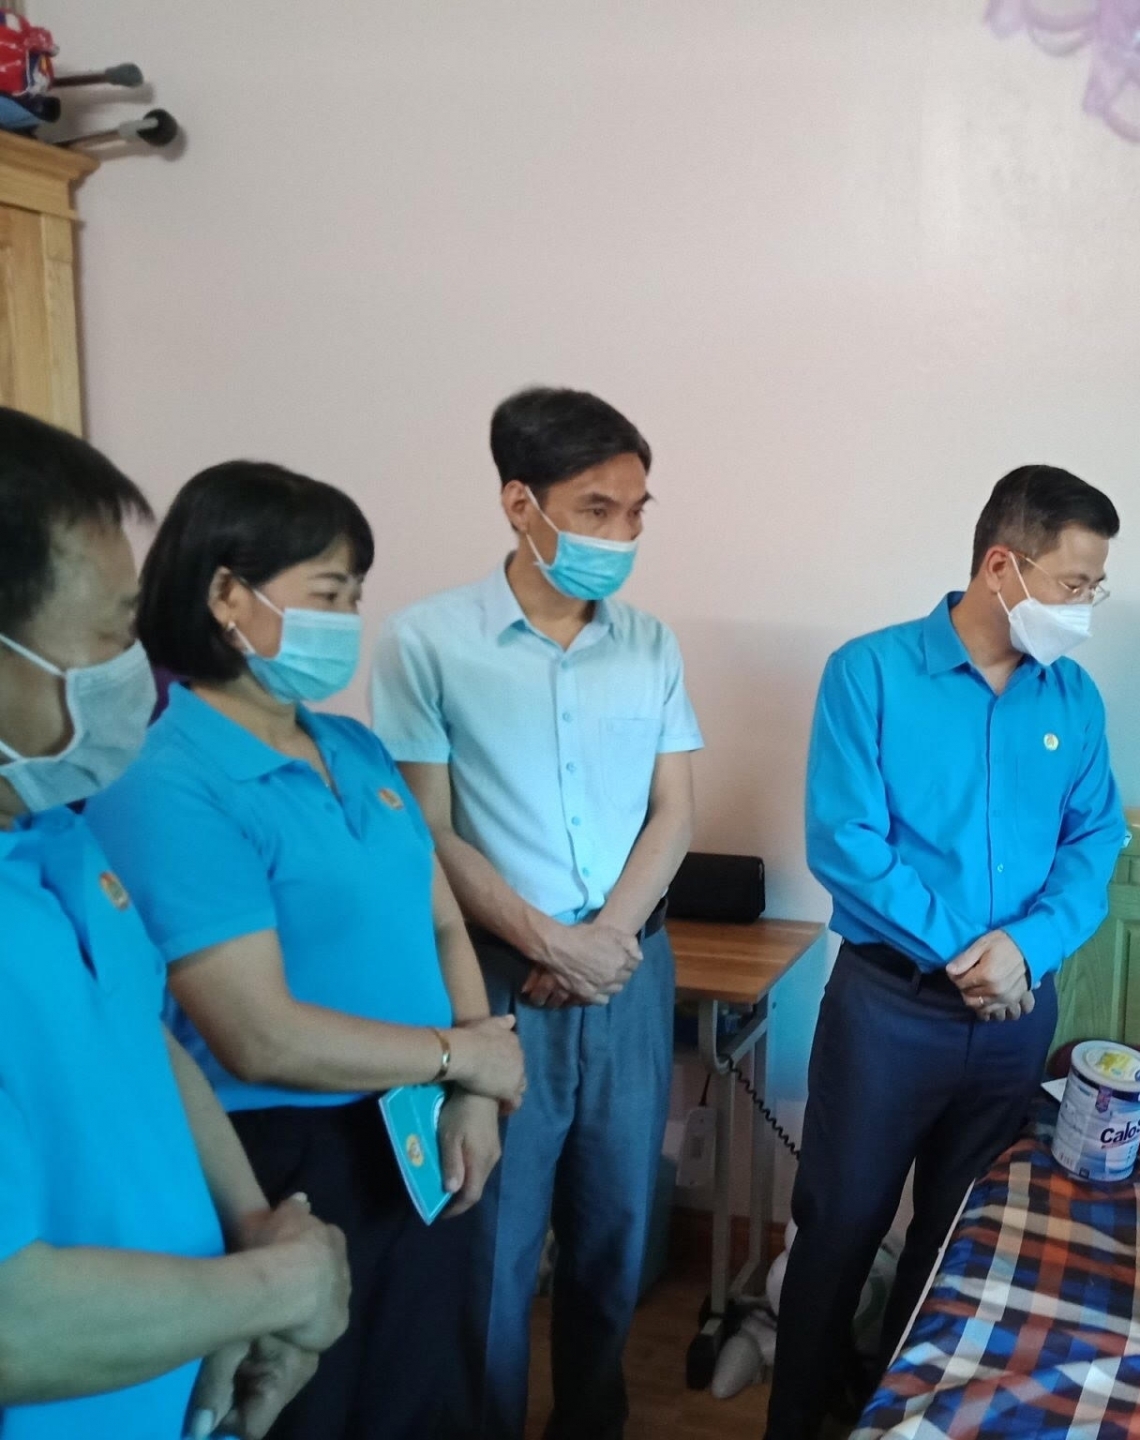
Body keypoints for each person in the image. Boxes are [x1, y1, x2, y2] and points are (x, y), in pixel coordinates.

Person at [85, 462, 527, 1440]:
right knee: (313, 1410)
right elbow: (260, 1037)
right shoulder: (166, 778)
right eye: (328, 594)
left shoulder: (355, 748)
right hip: (286, 1157)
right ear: (227, 594)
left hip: (416, 1130)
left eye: (355, 596)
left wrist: (473, 1090)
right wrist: (462, 1056)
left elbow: (441, 922)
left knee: (426, 1396)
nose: (349, 618)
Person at [0, 409, 351, 1440]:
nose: (138, 664)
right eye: (114, 631)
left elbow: (143, 1039)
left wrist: (254, 1229)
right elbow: (13, 1323)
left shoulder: (54, 831)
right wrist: (280, 1288)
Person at [766, 464, 1131, 1440]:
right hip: (889, 1010)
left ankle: (892, 1414)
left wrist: (1026, 950)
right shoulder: (871, 673)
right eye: (1074, 584)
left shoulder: (1073, 700)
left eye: (1095, 588)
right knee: (840, 1224)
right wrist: (975, 956)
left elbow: (1096, 841)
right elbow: (846, 842)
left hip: (1016, 1018)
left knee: (958, 1238)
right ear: (1002, 566)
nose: (1084, 609)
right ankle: (794, 1420)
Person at [370, 385, 700, 1440]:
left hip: (628, 978)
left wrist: (605, 945)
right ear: (521, 504)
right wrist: (550, 942)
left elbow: (674, 810)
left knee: (617, 1236)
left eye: (637, 511)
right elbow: (430, 829)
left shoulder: (650, 645)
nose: (623, 534)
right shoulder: (426, 643)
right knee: (495, 1249)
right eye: (597, 509)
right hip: (498, 985)